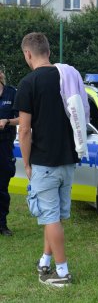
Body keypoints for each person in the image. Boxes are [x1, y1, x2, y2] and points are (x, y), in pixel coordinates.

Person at [14, 32, 89, 287]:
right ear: (48, 51)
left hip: (44, 162)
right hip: (68, 159)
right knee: (53, 215)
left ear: (28, 53)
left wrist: (26, 164)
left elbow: (24, 130)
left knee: (50, 217)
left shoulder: (28, 83)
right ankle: (45, 261)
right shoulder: (68, 76)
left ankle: (62, 272)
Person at [0, 70, 19, 236]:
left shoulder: (11, 93)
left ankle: (2, 224)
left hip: (4, 146)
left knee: (2, 187)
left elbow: (22, 118)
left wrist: (7, 121)